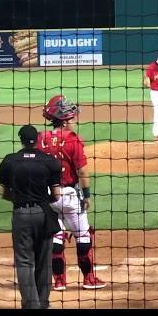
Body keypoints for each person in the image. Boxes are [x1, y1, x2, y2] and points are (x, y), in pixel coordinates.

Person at [35, 95, 107, 290]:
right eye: (72, 118)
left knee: (56, 237)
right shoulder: (72, 140)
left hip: (47, 197)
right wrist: (87, 195)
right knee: (83, 235)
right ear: (64, 119)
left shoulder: (40, 139)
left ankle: (59, 281)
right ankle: (89, 279)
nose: (74, 120)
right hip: (69, 196)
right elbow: (82, 171)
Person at [0, 125, 62, 309]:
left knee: (25, 262)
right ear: (38, 139)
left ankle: (32, 305)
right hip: (43, 214)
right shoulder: (49, 161)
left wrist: (19, 200)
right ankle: (43, 303)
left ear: (21, 140)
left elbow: (4, 193)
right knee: (44, 260)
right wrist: (43, 201)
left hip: (21, 214)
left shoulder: (10, 161)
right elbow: (56, 195)